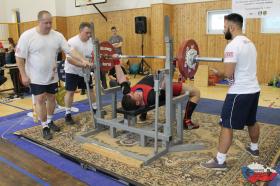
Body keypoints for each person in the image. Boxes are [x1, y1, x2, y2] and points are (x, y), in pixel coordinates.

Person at [15, 10, 93, 140]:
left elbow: (70, 50)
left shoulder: (57, 35)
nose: (49, 25)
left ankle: (50, 120)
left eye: (50, 22)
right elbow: (19, 57)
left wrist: (82, 60)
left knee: (52, 99)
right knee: (40, 99)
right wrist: (23, 75)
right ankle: (44, 126)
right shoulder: (27, 36)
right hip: (35, 76)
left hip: (52, 75)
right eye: (46, 23)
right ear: (39, 22)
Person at [200, 13, 260, 170]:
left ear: (232, 27)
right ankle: (254, 148)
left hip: (239, 92)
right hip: (254, 89)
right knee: (251, 120)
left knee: (226, 124)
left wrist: (217, 73)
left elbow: (227, 74)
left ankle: (219, 161)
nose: (223, 30)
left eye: (224, 27)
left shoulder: (232, 46)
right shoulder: (250, 43)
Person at [112, 59, 200, 129]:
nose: (132, 92)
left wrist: (116, 61)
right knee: (196, 92)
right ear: (138, 102)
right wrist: (170, 67)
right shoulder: (152, 98)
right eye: (133, 94)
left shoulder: (128, 94)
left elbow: (121, 79)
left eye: (130, 93)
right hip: (162, 84)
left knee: (163, 72)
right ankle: (187, 121)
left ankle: (143, 115)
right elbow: (165, 86)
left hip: (155, 78)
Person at [64, 22, 96, 125]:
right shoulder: (72, 41)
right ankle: (67, 114)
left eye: (90, 33)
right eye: (87, 33)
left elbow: (93, 57)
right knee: (70, 92)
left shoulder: (92, 42)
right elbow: (69, 60)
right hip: (72, 70)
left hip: (85, 70)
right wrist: (83, 64)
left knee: (90, 90)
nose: (89, 35)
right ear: (80, 31)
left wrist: (91, 65)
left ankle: (95, 109)